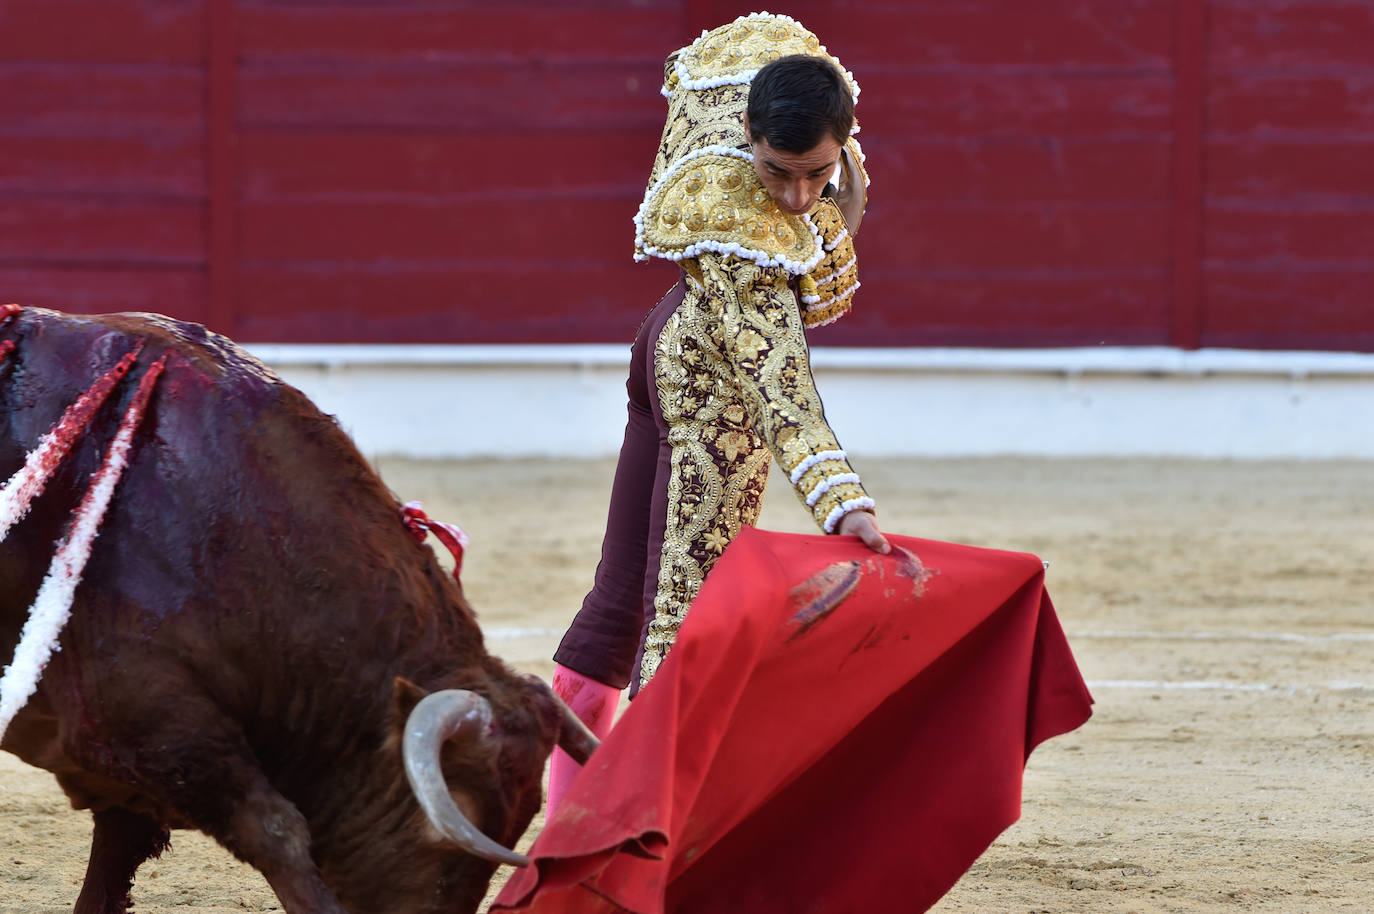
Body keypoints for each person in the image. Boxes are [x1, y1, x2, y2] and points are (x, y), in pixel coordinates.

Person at [547, 13, 887, 810]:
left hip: (665, 342)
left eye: (816, 175)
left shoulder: (763, 81)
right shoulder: (742, 232)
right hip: (712, 387)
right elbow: (781, 387)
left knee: (623, 595)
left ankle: (569, 813)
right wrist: (844, 504)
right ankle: (642, 824)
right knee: (687, 619)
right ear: (748, 136)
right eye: (777, 172)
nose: (797, 197)